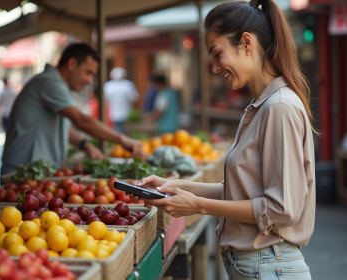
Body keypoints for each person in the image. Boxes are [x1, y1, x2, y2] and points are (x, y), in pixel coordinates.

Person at [130, 1, 316, 279]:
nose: (215, 67)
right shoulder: (261, 106)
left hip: (268, 266)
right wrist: (177, 186)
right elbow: (245, 192)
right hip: (258, 266)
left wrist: (198, 206)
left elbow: (281, 209)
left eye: (218, 54)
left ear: (246, 43)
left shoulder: (278, 107)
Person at [1, 43, 145, 174]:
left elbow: (63, 125)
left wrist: (85, 144)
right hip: (20, 174)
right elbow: (81, 120)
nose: (90, 81)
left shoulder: (55, 83)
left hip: (32, 174)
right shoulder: (50, 83)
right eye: (88, 72)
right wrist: (122, 139)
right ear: (71, 64)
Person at [104, 67, 138, 133]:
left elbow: (105, 100)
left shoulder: (107, 86)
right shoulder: (128, 85)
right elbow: (134, 99)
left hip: (111, 114)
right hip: (126, 114)